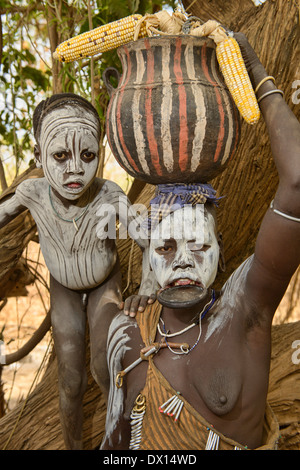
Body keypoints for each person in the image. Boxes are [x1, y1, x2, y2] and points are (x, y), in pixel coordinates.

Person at [98, 33, 300, 450]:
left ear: (222, 249)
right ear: (148, 258)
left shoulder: (246, 313)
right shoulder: (128, 334)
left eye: (199, 246)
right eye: (166, 248)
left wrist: (256, 74)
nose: (184, 261)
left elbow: (298, 182)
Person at [0, 93, 155, 449]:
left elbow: (147, 241)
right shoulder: (32, 192)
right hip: (64, 289)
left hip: (105, 283)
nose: (74, 169)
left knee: (106, 369)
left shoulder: (110, 195)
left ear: (100, 154)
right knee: (70, 380)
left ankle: (120, 445)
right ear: (39, 157)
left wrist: (147, 285)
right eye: (59, 156)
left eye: (87, 155)